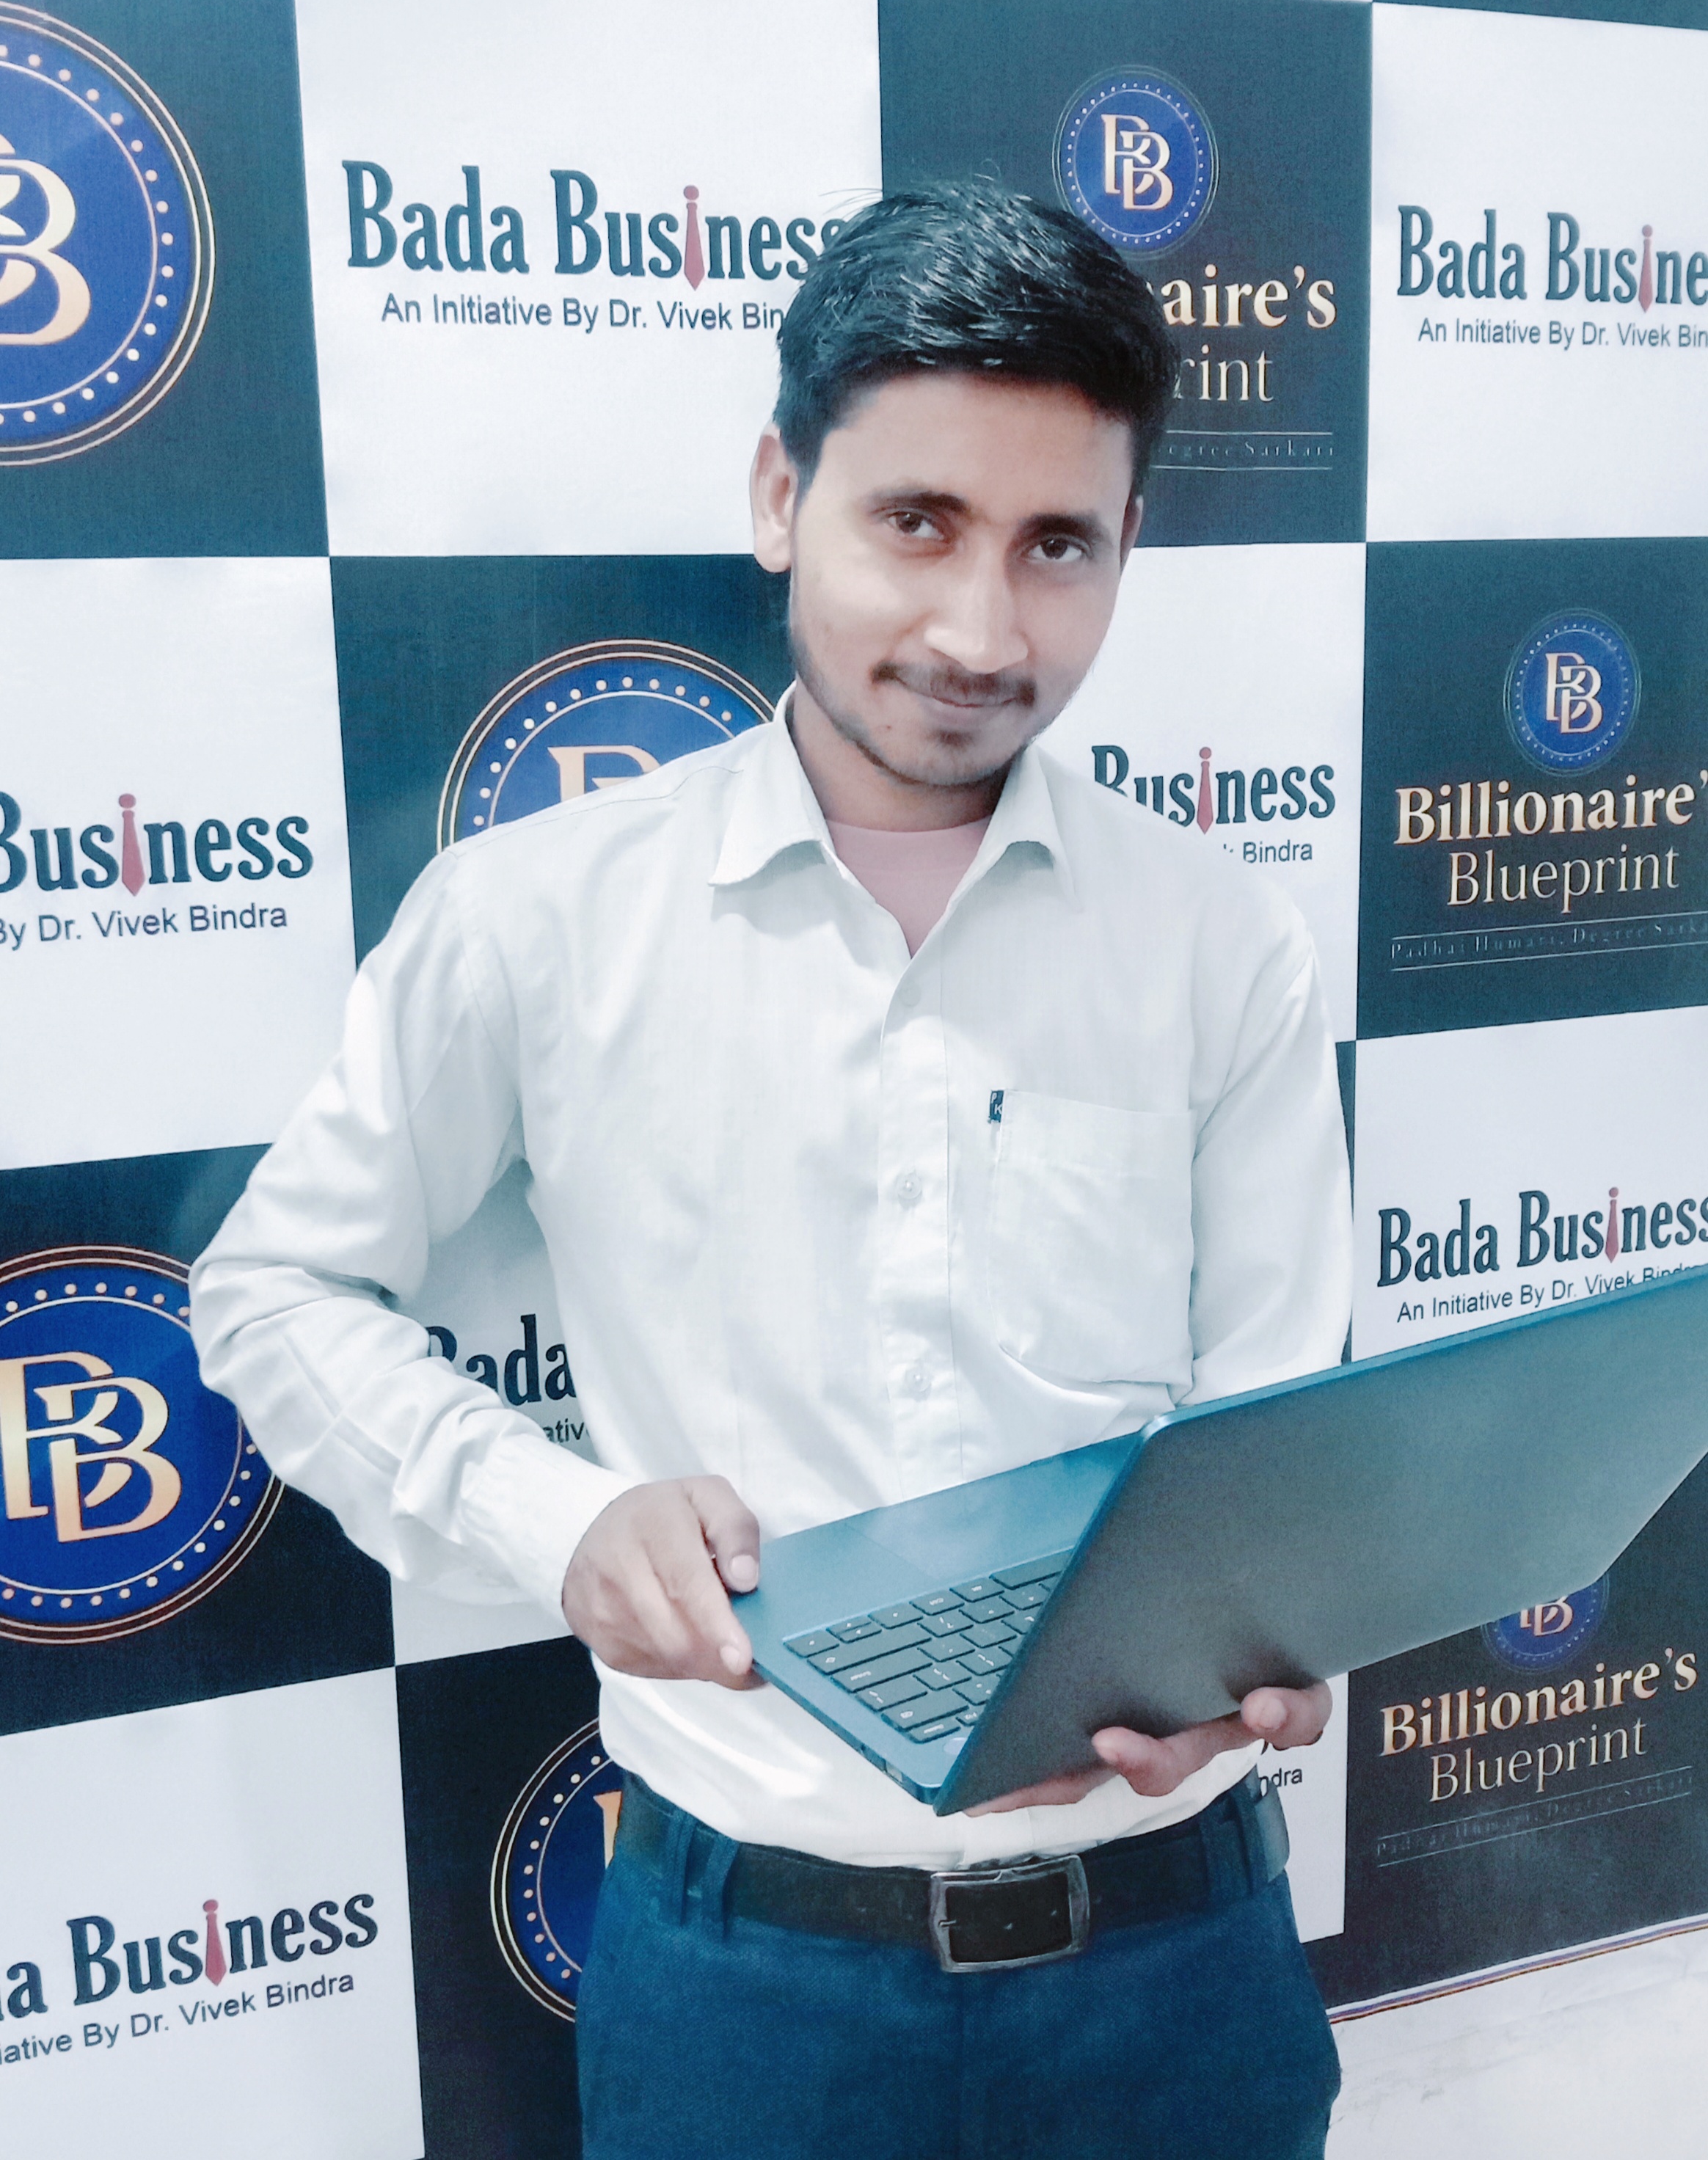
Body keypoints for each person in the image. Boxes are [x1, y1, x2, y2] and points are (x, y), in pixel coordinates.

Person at [191, 180, 1351, 2158]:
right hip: (749, 1988)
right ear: (778, 495)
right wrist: (555, 1513)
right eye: (920, 523)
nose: (982, 631)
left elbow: (1274, 1425)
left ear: (1127, 546)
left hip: (1181, 1964)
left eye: (1057, 545)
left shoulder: (1220, 937)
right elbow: (275, 1287)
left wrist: (1261, 1637)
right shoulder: (541, 913)